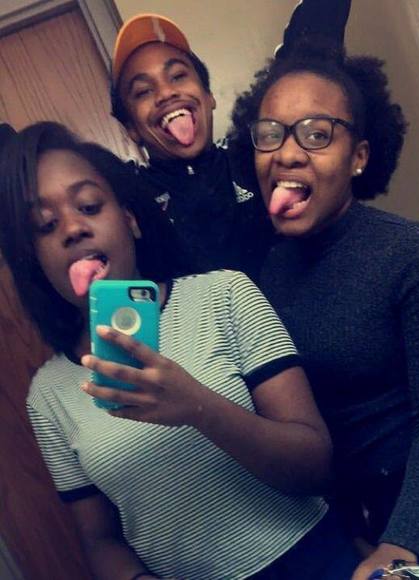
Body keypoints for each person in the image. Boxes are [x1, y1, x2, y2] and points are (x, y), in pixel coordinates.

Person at [227, 42, 419, 579]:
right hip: (367, 527)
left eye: (317, 134)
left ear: (359, 157)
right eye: (271, 133)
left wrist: (399, 543)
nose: (287, 153)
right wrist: (356, 530)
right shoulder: (260, 278)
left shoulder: (408, 251)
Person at [0, 122, 361, 579]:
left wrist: (197, 406)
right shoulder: (48, 395)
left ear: (130, 219)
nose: (72, 228)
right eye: (45, 226)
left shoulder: (225, 295)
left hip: (317, 563)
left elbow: (317, 467)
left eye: (89, 206)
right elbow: (99, 538)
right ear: (36, 262)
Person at [109, 3, 352, 281]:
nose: (166, 93)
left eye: (178, 76)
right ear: (131, 128)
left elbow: (305, 60)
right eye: (143, 91)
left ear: (208, 96)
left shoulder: (253, 155)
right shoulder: (132, 198)